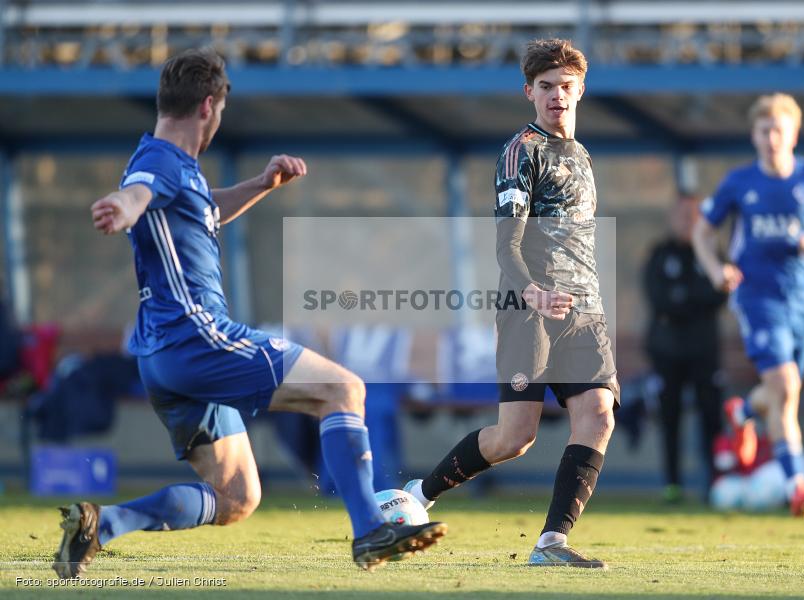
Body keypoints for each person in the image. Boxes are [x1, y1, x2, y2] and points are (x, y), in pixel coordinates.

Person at [55, 48, 445, 578]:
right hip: (198, 339)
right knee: (344, 391)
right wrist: (122, 206)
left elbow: (202, 205)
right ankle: (370, 530)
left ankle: (103, 526)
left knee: (237, 496)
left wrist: (261, 185)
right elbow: (140, 191)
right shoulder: (161, 162)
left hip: (163, 356)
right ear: (209, 107)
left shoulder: (174, 167)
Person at [404, 38, 618, 568]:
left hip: (583, 310)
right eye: (546, 87)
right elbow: (508, 244)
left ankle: (552, 543)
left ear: (580, 90)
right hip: (531, 309)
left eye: (566, 86)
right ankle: (419, 493)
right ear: (529, 92)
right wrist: (533, 292)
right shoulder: (522, 151)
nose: (557, 96)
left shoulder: (583, 155)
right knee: (513, 438)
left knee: (598, 414)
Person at [692, 93, 804, 519]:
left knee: (784, 393)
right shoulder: (739, 182)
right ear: (754, 135)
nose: (770, 138)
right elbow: (702, 233)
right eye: (763, 131)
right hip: (757, 298)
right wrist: (716, 270)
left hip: (803, 300)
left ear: (793, 134)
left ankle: (744, 409)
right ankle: (796, 485)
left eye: (777, 130)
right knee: (785, 388)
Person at [643, 193, 727, 503]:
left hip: (705, 351)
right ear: (671, 217)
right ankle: (672, 484)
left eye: (693, 215)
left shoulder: (711, 253)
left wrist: (685, 297)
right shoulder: (660, 254)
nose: (686, 221)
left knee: (711, 418)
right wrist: (695, 297)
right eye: (681, 214)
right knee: (670, 418)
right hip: (667, 352)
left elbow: (719, 295)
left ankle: (715, 483)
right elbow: (659, 298)